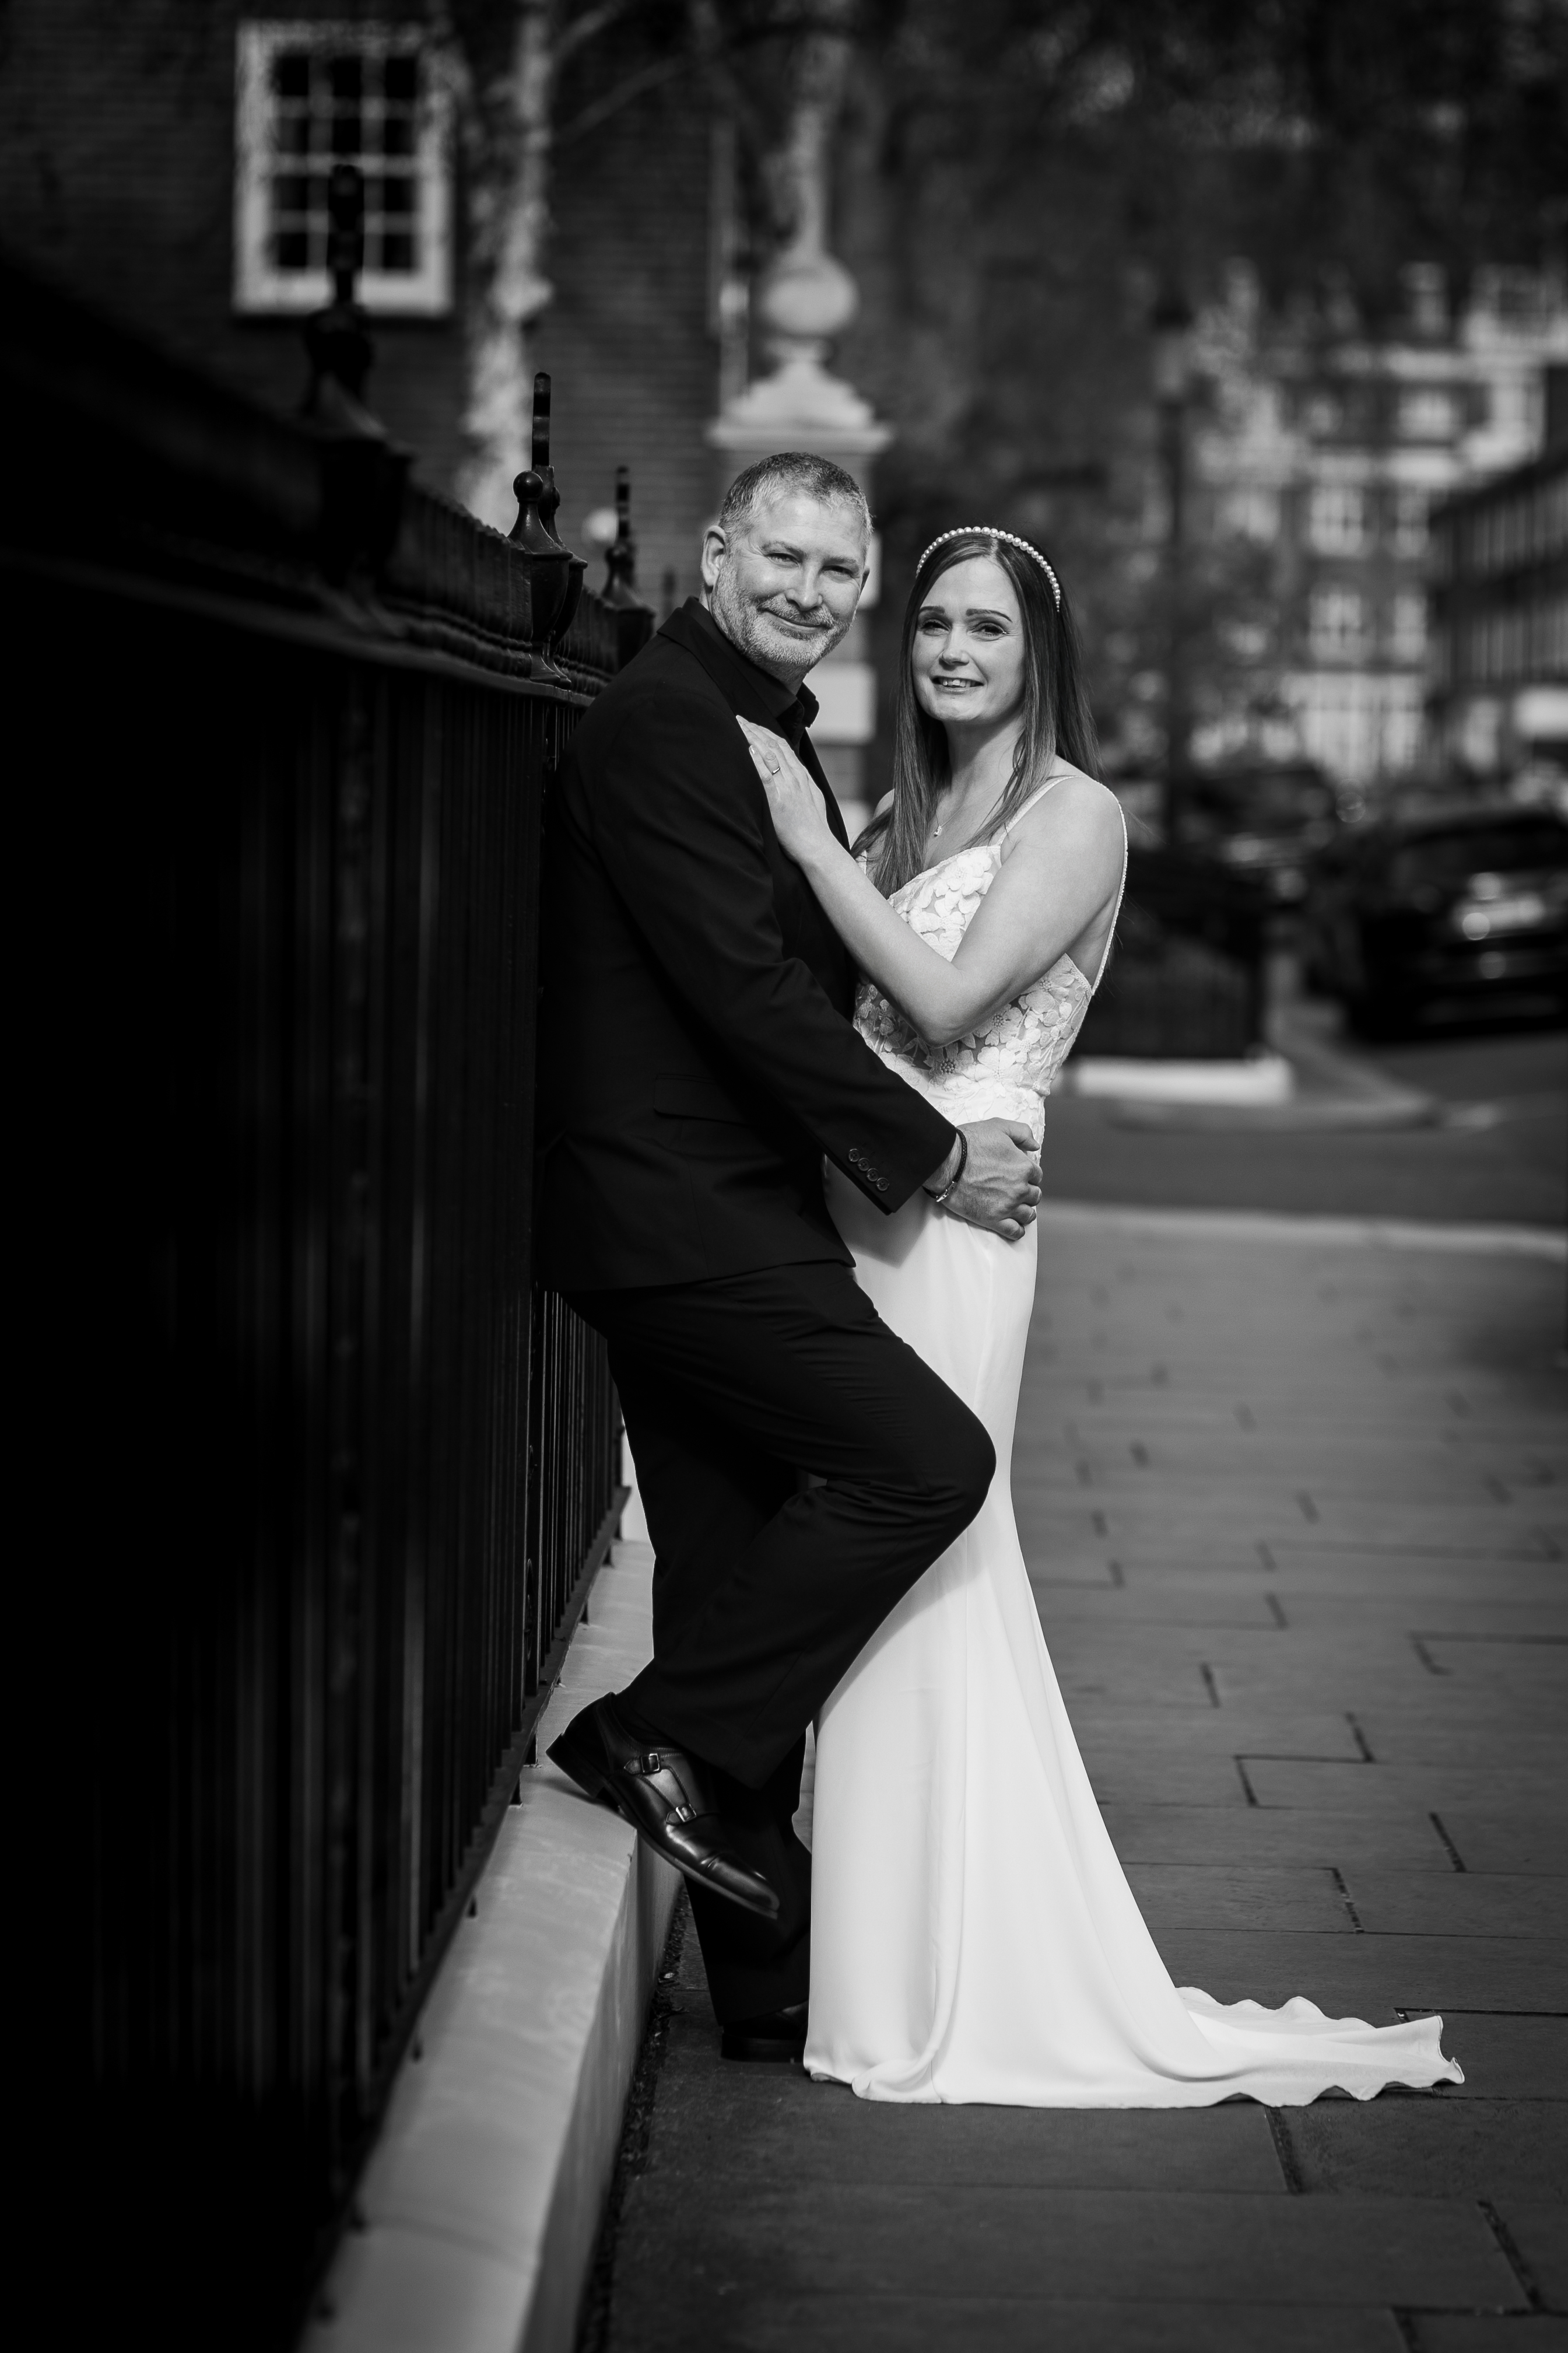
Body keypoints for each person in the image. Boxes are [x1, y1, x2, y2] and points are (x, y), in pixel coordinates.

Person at [742, 524, 1463, 2104]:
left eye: (982, 628)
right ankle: (877, 1957)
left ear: (1035, 654)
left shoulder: (1077, 817)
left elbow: (939, 1008)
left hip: (962, 1230)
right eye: (930, 620)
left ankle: (950, 1968)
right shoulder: (904, 809)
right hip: (868, 1213)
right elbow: (829, 1019)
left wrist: (805, 845)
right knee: (871, 1558)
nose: (948, 648)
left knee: (926, 1553)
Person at [536, 457, 1043, 2060]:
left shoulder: (747, 720)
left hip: (703, 1210)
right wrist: (937, 1157)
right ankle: (647, 1734)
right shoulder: (669, 720)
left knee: (729, 1569)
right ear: (713, 551)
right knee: (916, 1462)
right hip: (688, 1216)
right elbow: (747, 997)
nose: (811, 590)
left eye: (839, 569)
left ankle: (766, 1984)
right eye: (784, 555)